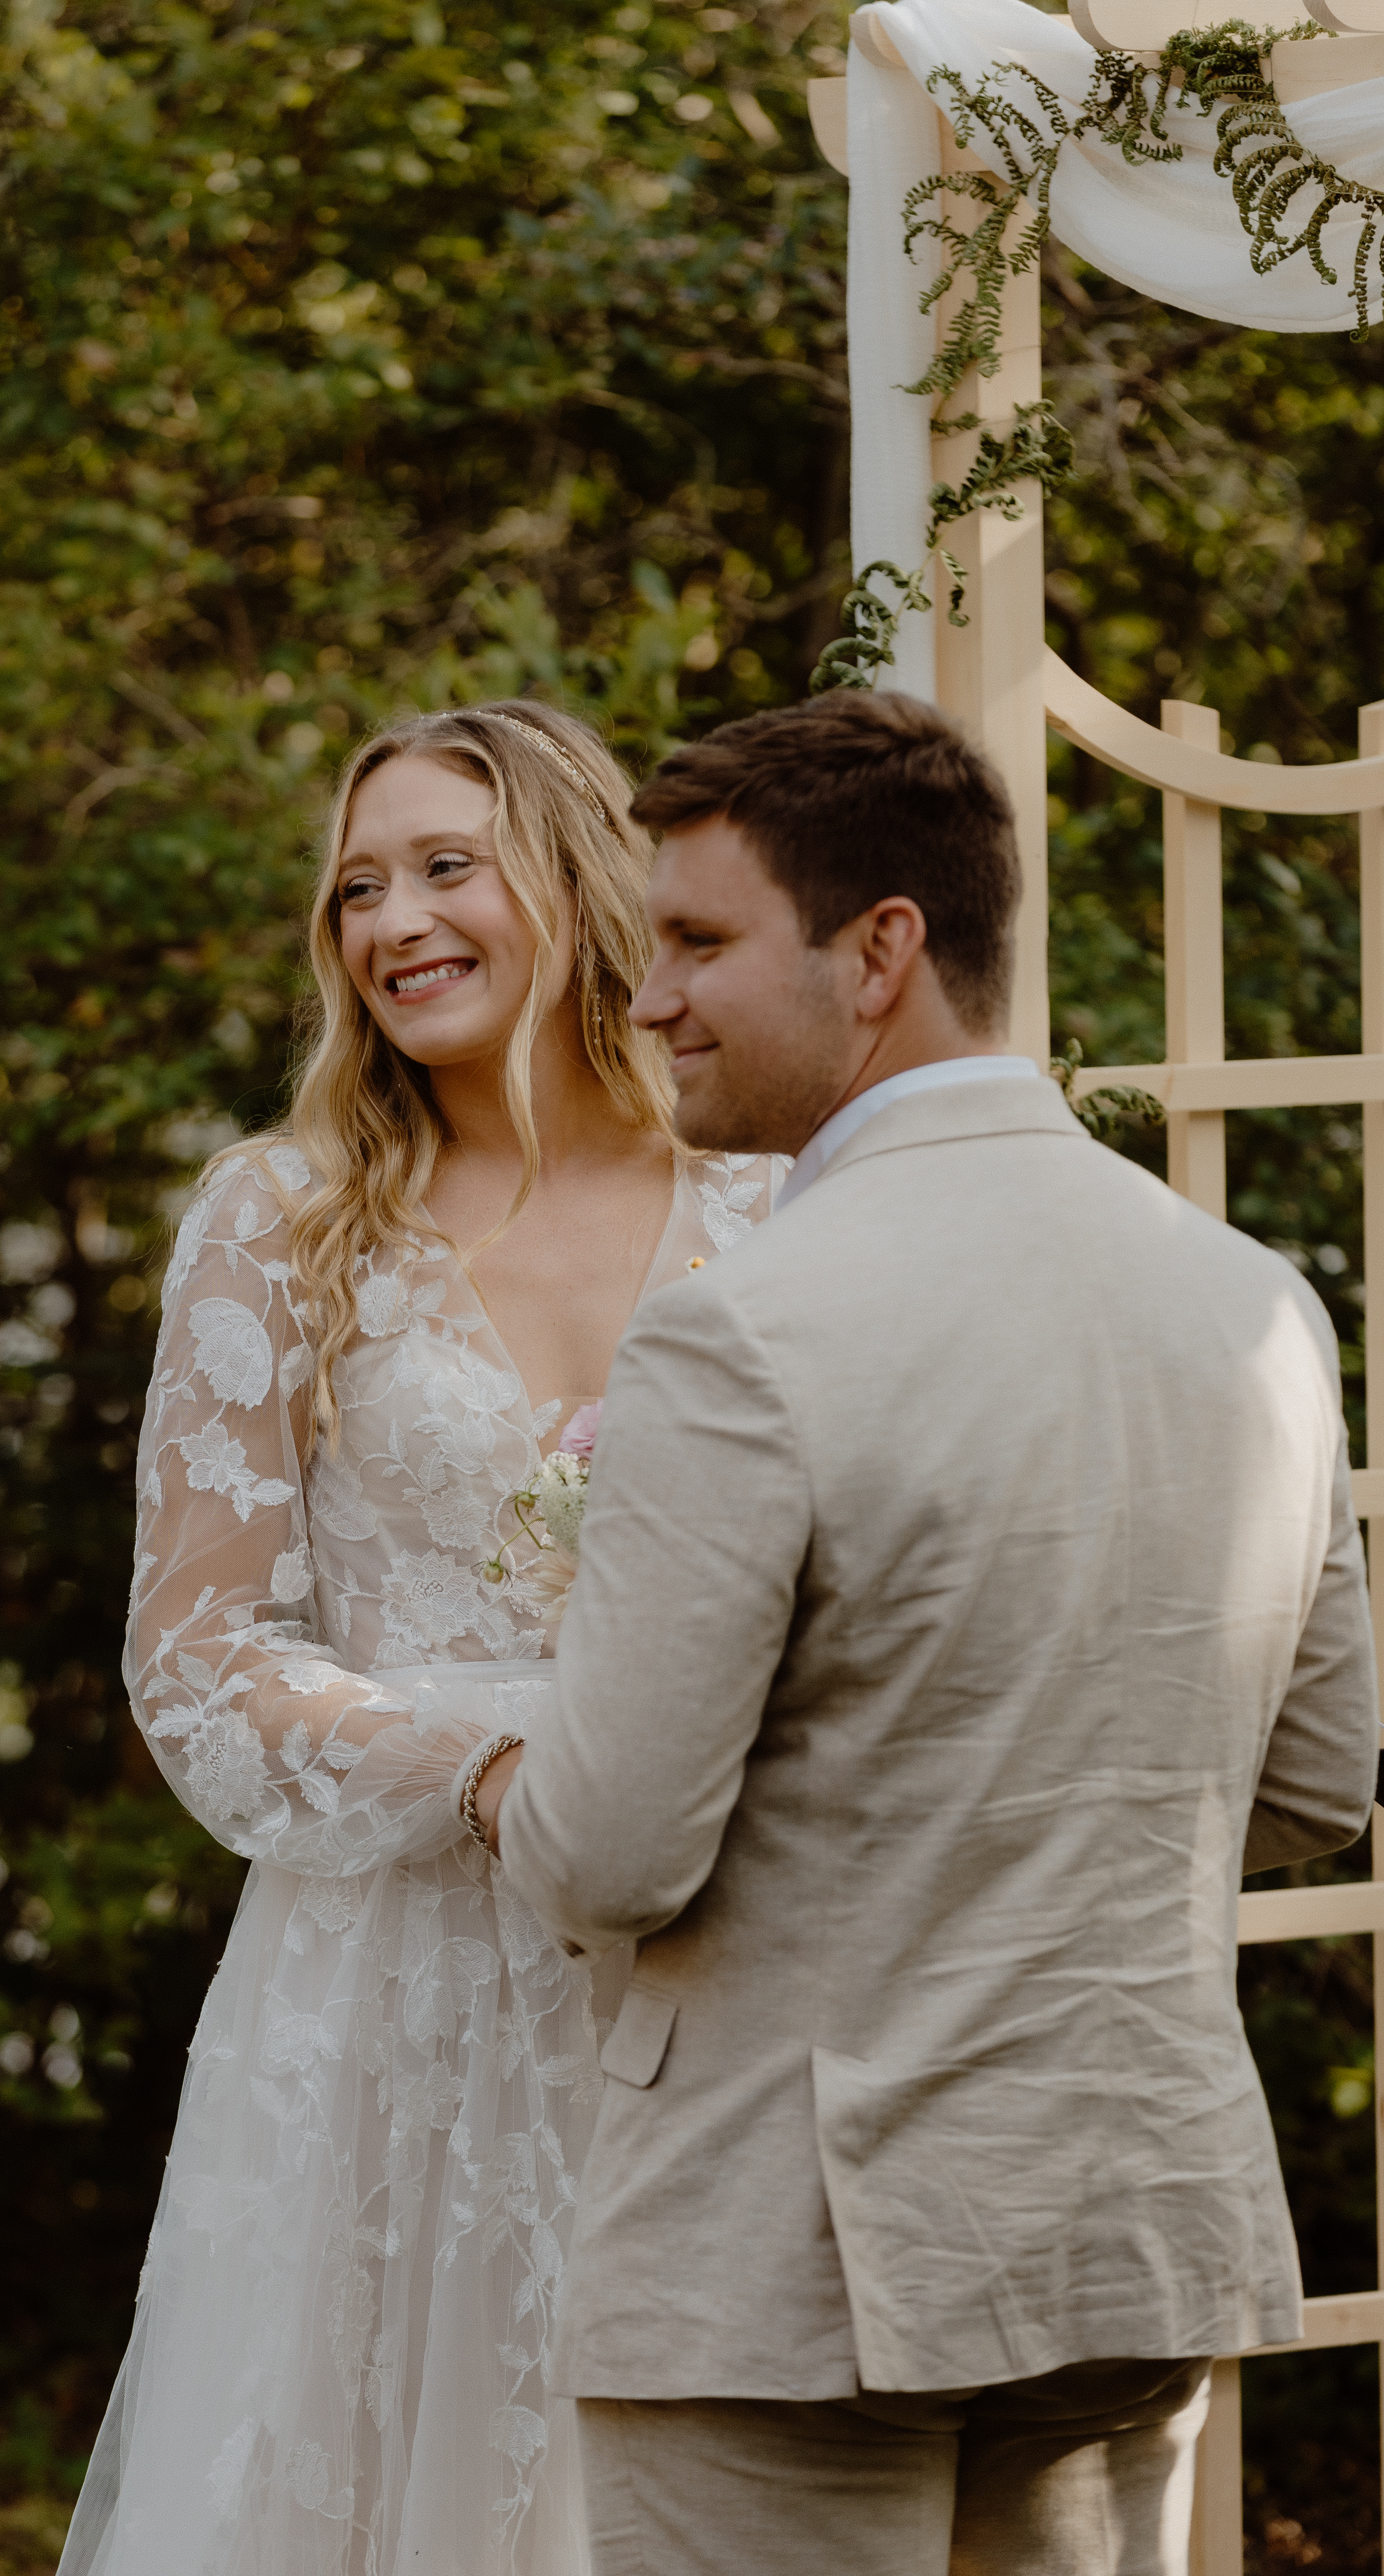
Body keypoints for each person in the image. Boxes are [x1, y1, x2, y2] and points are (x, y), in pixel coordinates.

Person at [470, 688, 1380, 2576]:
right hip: (1122, 2227)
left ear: (882, 947)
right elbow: (1313, 1782)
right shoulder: (1251, 1304)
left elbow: (616, 1848)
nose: (648, 1000)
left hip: (786, 2258)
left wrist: (498, 1778)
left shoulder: (743, 1332)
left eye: (700, 941)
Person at [55, 700, 778, 2576]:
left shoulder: (768, 1200)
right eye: (357, 887)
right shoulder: (282, 1221)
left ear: (570, 877)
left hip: (715, 1958)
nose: (392, 922)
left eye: (446, 865)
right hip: (396, 1990)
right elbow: (200, 1654)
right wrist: (478, 1768)